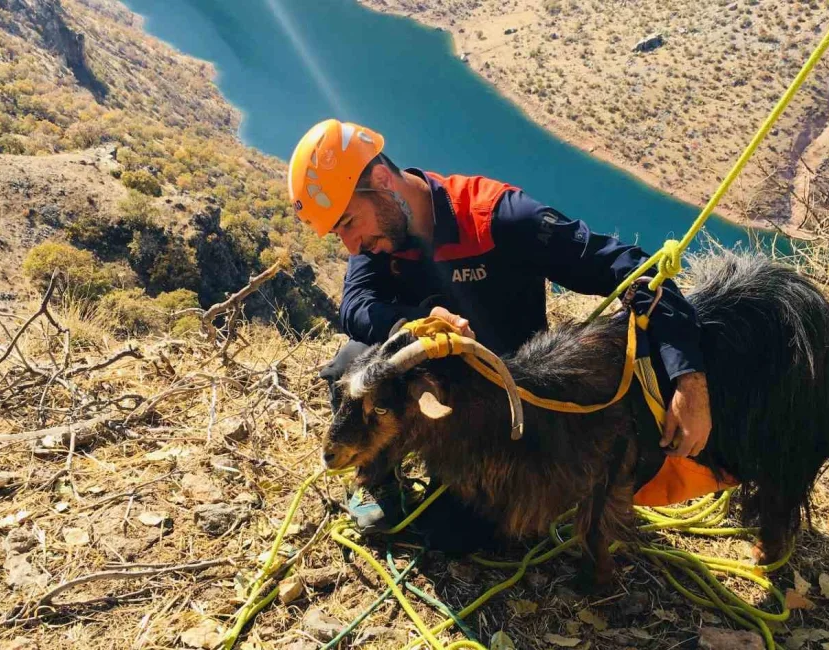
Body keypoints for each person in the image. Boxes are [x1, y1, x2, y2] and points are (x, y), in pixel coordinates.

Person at [287, 118, 712, 547]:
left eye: (347, 223)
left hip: (507, 400)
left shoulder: (500, 217)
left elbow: (636, 272)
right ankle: (377, 478)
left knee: (458, 533)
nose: (350, 245)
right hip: (431, 398)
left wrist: (688, 378)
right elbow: (356, 306)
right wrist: (414, 324)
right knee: (351, 363)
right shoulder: (378, 237)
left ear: (381, 181)